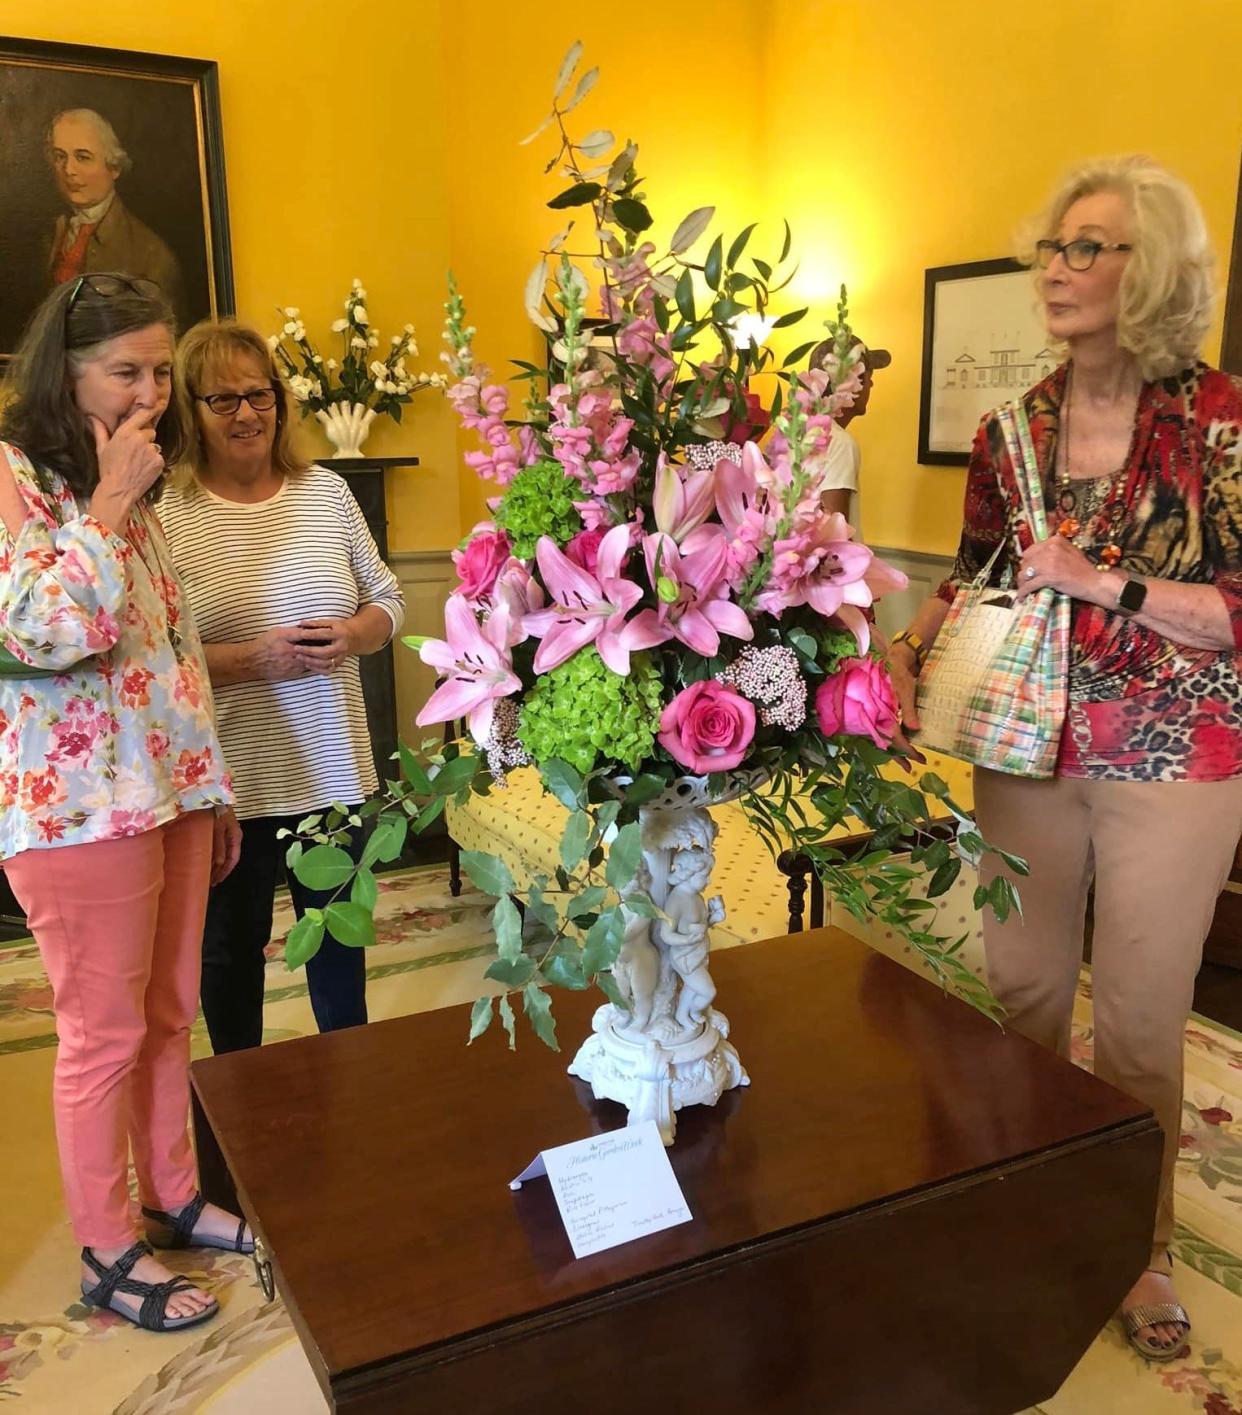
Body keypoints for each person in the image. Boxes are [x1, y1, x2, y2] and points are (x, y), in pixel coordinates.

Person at [886, 156, 1242, 1362]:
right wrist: (897, 652)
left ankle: (1134, 1246)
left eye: (1089, 247)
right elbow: (976, 568)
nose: (1057, 268)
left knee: (1140, 1024)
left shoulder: (1224, 422)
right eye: (1052, 246)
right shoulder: (1012, 426)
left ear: (1157, 272)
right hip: (1020, 746)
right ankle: (1024, 1197)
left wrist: (1112, 582)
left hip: (1175, 761)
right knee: (1024, 998)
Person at [0, 274, 250, 1332]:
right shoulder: (16, 476)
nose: (153, 393)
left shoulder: (132, 480)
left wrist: (214, 786)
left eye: (161, 371)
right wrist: (104, 505)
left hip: (169, 789)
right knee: (100, 1031)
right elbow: (37, 633)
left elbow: (170, 646)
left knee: (166, 1013)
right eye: (127, 371)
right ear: (66, 369)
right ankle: (107, 1246)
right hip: (78, 809)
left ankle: (175, 1192)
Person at [160, 320, 405, 1054]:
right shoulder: (167, 514)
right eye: (221, 398)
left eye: (258, 393)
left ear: (280, 401)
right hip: (230, 788)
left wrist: (357, 634)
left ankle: (352, 1098)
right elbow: (156, 662)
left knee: (340, 963)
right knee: (229, 967)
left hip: (332, 776)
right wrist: (249, 660)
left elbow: (389, 599)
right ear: (189, 411)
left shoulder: (326, 493)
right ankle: (243, 1122)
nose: (245, 413)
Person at [45, 109, 183, 317]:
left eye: (83, 157)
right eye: (59, 156)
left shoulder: (152, 257)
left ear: (114, 167)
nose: (69, 170)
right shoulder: (46, 232)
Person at [809, 336, 891, 526]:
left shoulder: (797, 432)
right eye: (869, 378)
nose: (871, 385)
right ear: (855, 382)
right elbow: (834, 534)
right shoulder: (839, 442)